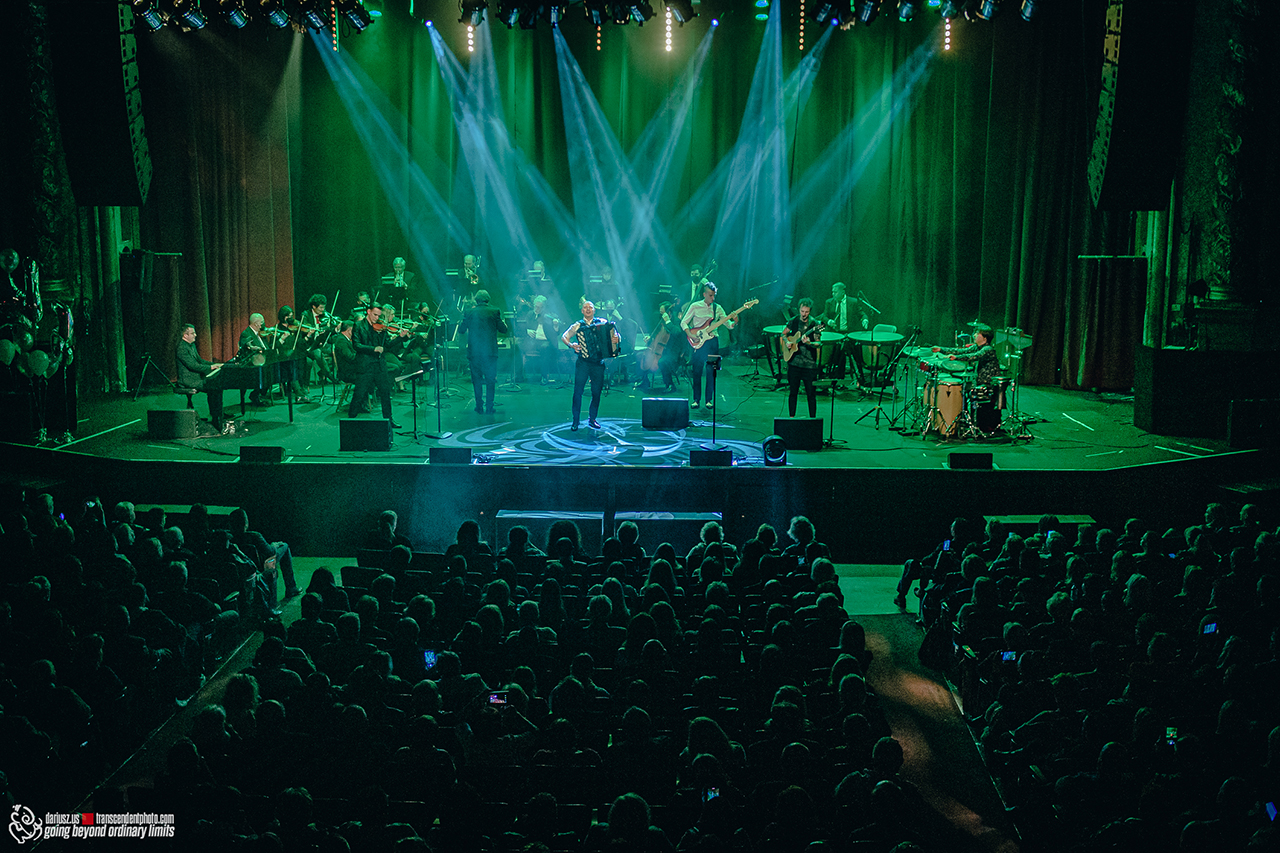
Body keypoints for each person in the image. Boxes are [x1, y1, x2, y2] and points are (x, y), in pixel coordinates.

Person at [562, 300, 620, 431]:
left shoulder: (603, 322)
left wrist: (617, 339)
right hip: (583, 362)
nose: (588, 309)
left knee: (596, 392)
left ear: (594, 310)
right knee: (578, 392)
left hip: (598, 363)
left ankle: (592, 419)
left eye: (590, 307)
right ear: (582, 311)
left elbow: (616, 334)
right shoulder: (578, 325)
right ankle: (575, 420)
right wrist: (571, 345)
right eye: (585, 307)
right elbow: (564, 336)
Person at [932, 324, 1000, 432]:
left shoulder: (988, 349)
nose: (974, 335)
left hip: (989, 383)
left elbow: (974, 356)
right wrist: (941, 349)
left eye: (977, 333)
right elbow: (961, 351)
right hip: (980, 381)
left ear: (985, 338)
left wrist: (956, 358)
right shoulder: (976, 347)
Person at [680, 282, 735, 410]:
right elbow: (684, 322)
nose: (713, 298)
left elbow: (729, 325)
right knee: (697, 371)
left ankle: (709, 400)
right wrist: (690, 334)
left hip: (713, 342)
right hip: (698, 340)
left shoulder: (718, 308)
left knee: (712, 371)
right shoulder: (695, 306)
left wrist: (735, 321)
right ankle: (696, 399)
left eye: (714, 295)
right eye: (710, 295)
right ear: (704, 294)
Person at [349, 304, 401, 427]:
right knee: (359, 394)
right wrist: (373, 349)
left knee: (385, 393)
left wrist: (401, 337)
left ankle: (389, 420)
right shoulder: (358, 325)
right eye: (375, 315)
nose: (377, 318)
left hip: (379, 365)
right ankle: (350, 421)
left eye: (379, 315)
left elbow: (387, 345)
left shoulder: (381, 327)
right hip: (365, 366)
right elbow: (356, 345)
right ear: (368, 312)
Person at [459, 290, 510, 415]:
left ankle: (479, 406)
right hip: (490, 352)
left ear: (476, 300)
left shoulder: (469, 312)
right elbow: (503, 330)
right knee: (490, 380)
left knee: (476, 380)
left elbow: (461, 330)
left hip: (474, 352)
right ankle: (489, 407)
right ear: (488, 299)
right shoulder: (495, 311)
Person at [174, 323, 228, 433]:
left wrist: (214, 365)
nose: (195, 335)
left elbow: (200, 361)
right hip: (189, 380)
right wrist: (210, 367)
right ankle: (216, 416)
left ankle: (218, 414)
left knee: (217, 386)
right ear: (185, 335)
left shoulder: (191, 345)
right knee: (213, 388)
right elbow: (192, 366)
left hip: (197, 377)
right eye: (192, 333)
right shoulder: (181, 348)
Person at [781, 297, 822, 418]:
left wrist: (810, 343)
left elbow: (818, 343)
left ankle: (812, 419)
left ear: (810, 311)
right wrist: (787, 342)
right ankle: (791, 418)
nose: (804, 314)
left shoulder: (815, 324)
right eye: (802, 311)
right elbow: (783, 334)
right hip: (794, 362)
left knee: (811, 394)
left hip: (809, 364)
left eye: (807, 312)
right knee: (793, 393)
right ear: (799, 309)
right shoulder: (793, 321)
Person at [818, 281, 867, 381]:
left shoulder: (853, 302)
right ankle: (832, 374)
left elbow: (861, 313)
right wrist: (829, 321)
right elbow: (824, 316)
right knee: (835, 351)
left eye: (835, 292)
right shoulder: (829, 302)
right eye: (832, 292)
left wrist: (865, 319)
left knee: (849, 351)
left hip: (848, 333)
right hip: (834, 333)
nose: (833, 294)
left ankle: (855, 376)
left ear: (842, 292)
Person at [518, 295, 558, 385]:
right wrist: (527, 331)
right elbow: (524, 327)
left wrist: (556, 325)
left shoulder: (550, 316)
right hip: (532, 341)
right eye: (535, 306)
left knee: (545, 348)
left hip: (545, 341)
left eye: (539, 307)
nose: (537, 309)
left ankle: (544, 376)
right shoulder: (530, 314)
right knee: (517, 347)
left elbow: (556, 333)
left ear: (544, 307)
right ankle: (518, 376)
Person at [239, 313, 270, 405]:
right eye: (262, 322)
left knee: (273, 371)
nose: (263, 324)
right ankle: (256, 394)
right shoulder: (246, 334)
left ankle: (258, 394)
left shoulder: (261, 333)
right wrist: (254, 348)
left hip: (263, 360)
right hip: (251, 364)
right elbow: (246, 347)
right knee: (266, 373)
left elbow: (266, 347)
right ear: (256, 323)